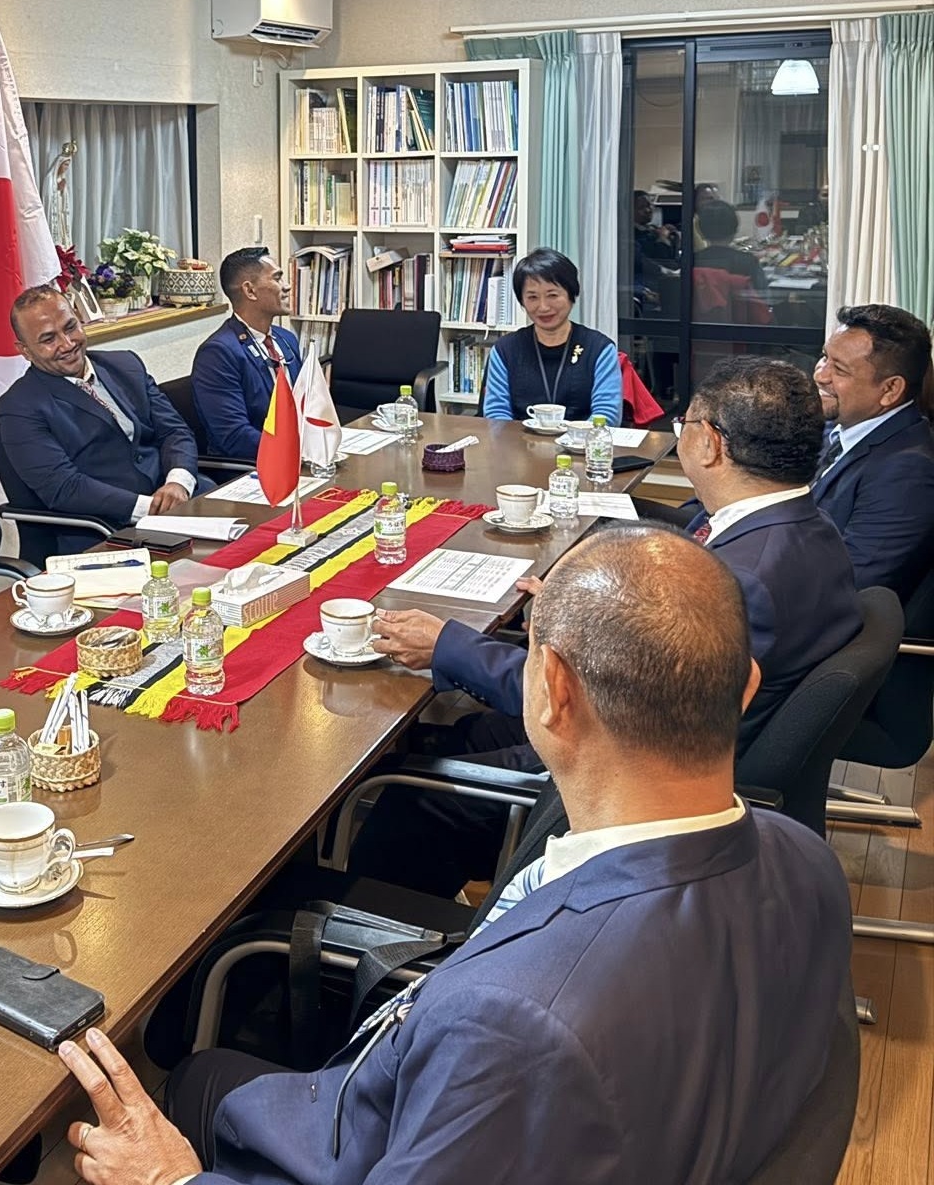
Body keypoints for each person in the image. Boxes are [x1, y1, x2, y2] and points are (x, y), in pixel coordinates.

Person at [55, 527, 853, 1185]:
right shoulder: (804, 856)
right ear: (745, 686)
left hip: (373, 1124)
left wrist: (170, 1179)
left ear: (552, 691)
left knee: (192, 1080)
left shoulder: (520, 1024)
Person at [356, 356, 861, 897]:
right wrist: (584, 610)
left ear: (711, 444)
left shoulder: (743, 580)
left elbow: (593, 705)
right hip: (674, 735)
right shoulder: (805, 527)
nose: (680, 434)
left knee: (409, 801)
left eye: (684, 423)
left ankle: (374, 947)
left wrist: (446, 644)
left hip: (631, 780)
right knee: (459, 733)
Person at [0, 286, 203, 553]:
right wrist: (150, 508)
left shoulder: (125, 365)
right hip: (107, 530)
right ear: (25, 351)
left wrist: (178, 482)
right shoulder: (19, 406)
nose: (67, 344)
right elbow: (64, 488)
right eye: (49, 339)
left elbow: (175, 432)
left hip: (181, 501)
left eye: (70, 327)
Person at [812, 303, 934, 603]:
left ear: (890, 389)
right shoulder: (832, 427)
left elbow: (848, 582)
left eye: (839, 369)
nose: (820, 375)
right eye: (824, 357)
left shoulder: (908, 471)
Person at [480, 248, 622, 424]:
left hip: (582, 447)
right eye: (532, 297)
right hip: (520, 447)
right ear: (522, 301)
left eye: (552, 295)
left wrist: (572, 440)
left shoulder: (599, 349)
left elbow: (606, 414)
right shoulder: (505, 350)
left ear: (572, 294)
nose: (543, 307)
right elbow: (496, 413)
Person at [190, 248, 302, 460]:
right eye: (277, 278)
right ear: (250, 291)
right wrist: (295, 451)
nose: (287, 286)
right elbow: (234, 436)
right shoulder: (218, 353)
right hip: (253, 465)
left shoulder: (286, 339)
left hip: (298, 454)